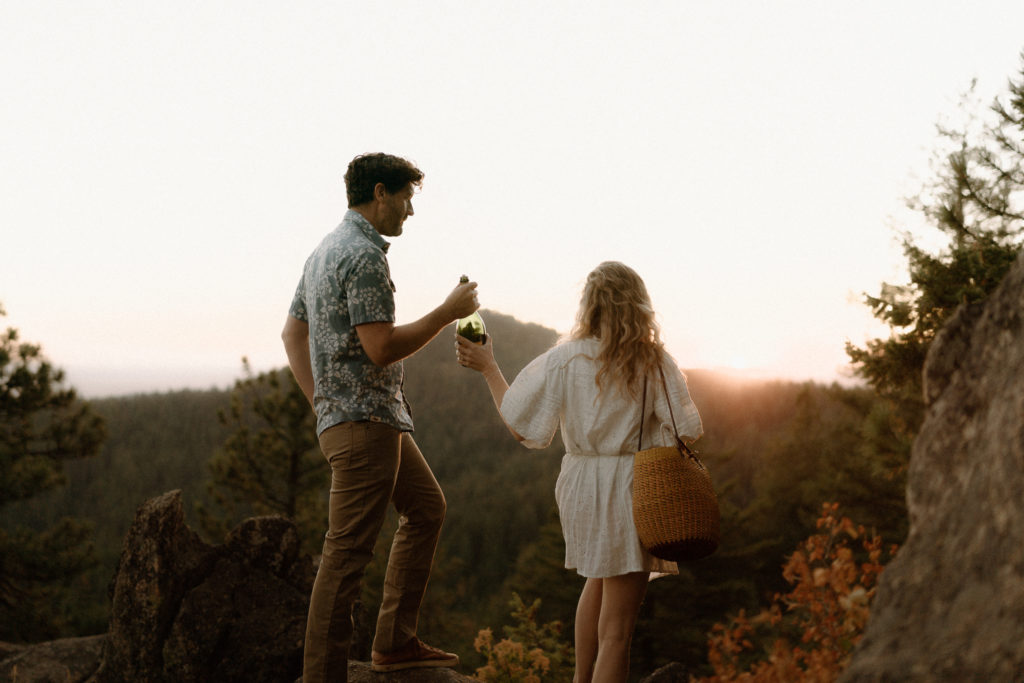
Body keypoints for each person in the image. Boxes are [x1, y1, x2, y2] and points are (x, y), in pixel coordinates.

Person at [282, 152, 479, 683]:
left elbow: (291, 334)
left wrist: (321, 402)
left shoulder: (323, 250)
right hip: (365, 425)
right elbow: (381, 347)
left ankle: (394, 642)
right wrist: (447, 311)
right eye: (407, 197)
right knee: (345, 558)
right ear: (380, 193)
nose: (410, 211)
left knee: (427, 507)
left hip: (365, 420)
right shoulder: (365, 255)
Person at [455, 261, 703, 683]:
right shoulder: (654, 360)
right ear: (638, 305)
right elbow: (689, 430)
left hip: (580, 486)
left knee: (596, 580)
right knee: (618, 633)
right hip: (631, 486)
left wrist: (489, 368)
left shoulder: (564, 358)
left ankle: (579, 679)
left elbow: (522, 426)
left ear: (589, 306)